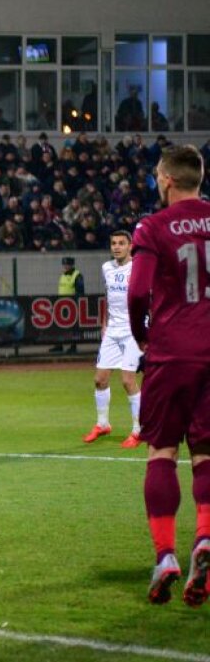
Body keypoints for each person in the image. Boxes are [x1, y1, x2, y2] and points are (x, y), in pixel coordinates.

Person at [127, 144, 210, 606]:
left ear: (166, 180)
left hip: (172, 352)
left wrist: (143, 335)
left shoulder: (153, 227)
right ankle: (205, 539)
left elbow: (137, 292)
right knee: (206, 453)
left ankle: (165, 556)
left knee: (161, 450)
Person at [83, 230, 143, 447]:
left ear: (130, 246)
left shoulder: (138, 267)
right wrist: (104, 325)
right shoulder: (106, 268)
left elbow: (149, 298)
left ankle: (139, 430)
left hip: (133, 331)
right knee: (99, 379)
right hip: (112, 331)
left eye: (121, 243)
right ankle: (103, 424)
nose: (117, 247)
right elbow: (109, 298)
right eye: (113, 243)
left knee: (128, 381)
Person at [50, 256, 84, 354]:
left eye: (68, 264)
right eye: (64, 264)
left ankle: (73, 346)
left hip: (72, 304)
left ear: (72, 265)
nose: (66, 266)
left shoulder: (77, 275)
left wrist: (76, 303)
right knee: (60, 326)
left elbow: (80, 292)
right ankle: (59, 345)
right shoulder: (63, 275)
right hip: (62, 304)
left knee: (73, 326)